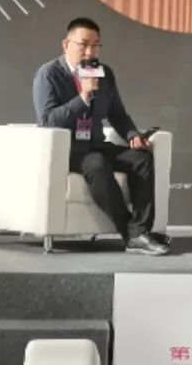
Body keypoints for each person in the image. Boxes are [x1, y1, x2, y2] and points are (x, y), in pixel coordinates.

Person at [32, 17, 168, 256]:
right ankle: (133, 234)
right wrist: (83, 97)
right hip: (67, 150)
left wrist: (132, 135)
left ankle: (140, 230)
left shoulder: (104, 74)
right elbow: (48, 121)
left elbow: (117, 114)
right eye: (83, 45)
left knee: (141, 159)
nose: (90, 52)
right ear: (66, 45)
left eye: (95, 46)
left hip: (95, 144)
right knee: (96, 163)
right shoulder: (48, 74)